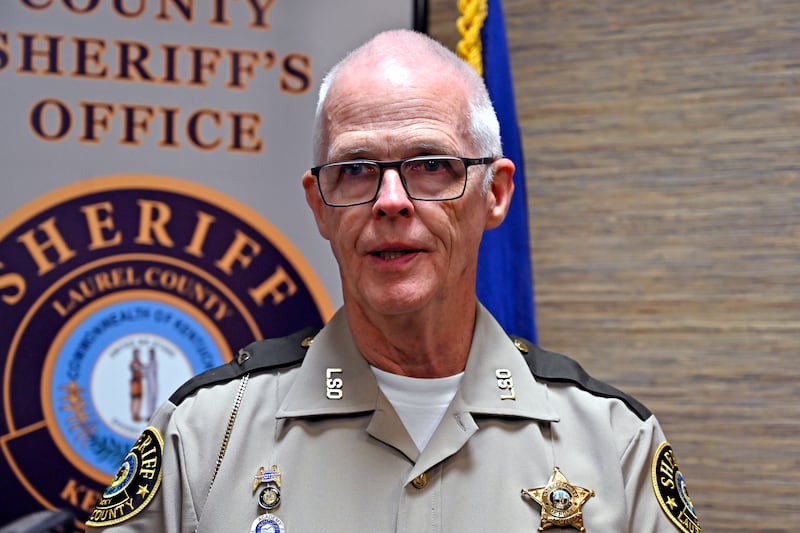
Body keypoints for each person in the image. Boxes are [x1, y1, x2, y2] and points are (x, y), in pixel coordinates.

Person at [86, 29, 699, 533]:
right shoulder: (202, 437)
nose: (390, 201)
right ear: (320, 206)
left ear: (496, 194)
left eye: (431, 165)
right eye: (355, 170)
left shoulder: (615, 444)